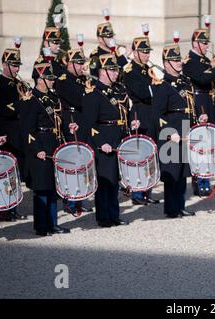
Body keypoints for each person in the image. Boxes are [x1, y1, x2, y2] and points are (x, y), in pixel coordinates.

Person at [19, 62, 78, 236]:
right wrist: (36, 148)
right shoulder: (30, 100)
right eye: (49, 79)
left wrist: (70, 128)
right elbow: (27, 130)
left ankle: (52, 223)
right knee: (41, 188)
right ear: (40, 80)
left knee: (52, 187)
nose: (53, 81)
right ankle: (41, 226)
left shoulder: (53, 98)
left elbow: (60, 121)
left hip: (54, 145)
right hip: (41, 146)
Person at [83, 54, 138, 228]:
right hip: (104, 139)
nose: (116, 74)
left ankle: (114, 215)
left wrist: (132, 121)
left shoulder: (118, 89)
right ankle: (103, 216)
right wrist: (100, 142)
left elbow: (125, 112)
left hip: (118, 136)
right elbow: (89, 124)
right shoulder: (94, 92)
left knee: (115, 179)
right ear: (102, 71)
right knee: (105, 179)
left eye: (116, 70)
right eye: (112, 70)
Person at [150, 42, 195, 218]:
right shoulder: (162, 85)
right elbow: (156, 114)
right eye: (174, 60)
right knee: (172, 173)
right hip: (171, 134)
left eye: (178, 59)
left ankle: (180, 205)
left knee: (183, 172)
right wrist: (169, 132)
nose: (178, 62)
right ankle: (171, 208)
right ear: (166, 63)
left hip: (184, 130)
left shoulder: (184, 82)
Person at [182, 28, 215, 197]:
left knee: (210, 144)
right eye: (203, 42)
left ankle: (207, 178)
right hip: (199, 102)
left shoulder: (204, 59)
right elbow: (202, 78)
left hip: (210, 101)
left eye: (207, 42)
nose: (206, 45)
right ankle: (200, 182)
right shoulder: (189, 61)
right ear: (195, 43)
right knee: (200, 144)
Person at [0, 46, 29, 221]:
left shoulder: (19, 84)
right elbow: (4, 110)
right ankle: (4, 209)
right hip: (5, 131)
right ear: (5, 64)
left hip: (18, 131)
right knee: (5, 171)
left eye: (18, 65)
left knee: (16, 172)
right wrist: (22, 102)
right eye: (13, 65)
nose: (17, 69)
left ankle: (13, 207)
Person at [55, 48, 93, 216]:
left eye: (82, 63)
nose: (81, 66)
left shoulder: (84, 79)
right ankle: (70, 200)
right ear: (69, 64)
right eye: (78, 63)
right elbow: (79, 99)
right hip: (71, 119)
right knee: (72, 162)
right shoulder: (64, 80)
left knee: (83, 161)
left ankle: (80, 198)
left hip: (83, 120)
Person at [123, 35, 160, 205]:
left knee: (151, 154)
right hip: (140, 112)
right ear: (135, 52)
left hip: (151, 112)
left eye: (147, 52)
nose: (147, 55)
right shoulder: (131, 70)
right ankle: (137, 193)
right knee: (140, 156)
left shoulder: (147, 69)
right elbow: (143, 92)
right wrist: (157, 88)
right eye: (143, 52)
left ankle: (147, 191)